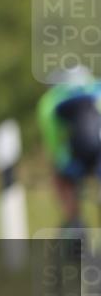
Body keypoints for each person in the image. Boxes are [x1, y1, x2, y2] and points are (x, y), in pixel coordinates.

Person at [37, 65, 101, 234]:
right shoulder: (97, 88)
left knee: (62, 181)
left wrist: (59, 164)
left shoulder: (51, 100)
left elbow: (53, 142)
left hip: (77, 154)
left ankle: (75, 225)